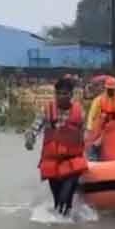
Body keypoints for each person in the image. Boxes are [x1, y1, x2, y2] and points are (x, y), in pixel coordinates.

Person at [25, 77, 88, 216]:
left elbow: (86, 134)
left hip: (72, 161)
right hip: (52, 160)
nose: (61, 97)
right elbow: (35, 127)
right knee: (58, 202)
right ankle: (62, 227)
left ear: (71, 95)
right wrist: (30, 138)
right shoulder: (46, 110)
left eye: (65, 94)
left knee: (65, 196)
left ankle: (67, 221)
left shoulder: (80, 112)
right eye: (58, 93)